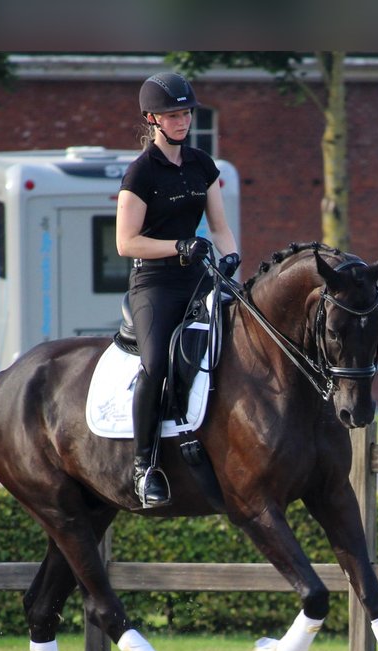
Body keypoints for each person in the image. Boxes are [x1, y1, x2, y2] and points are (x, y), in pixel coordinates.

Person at [116, 72, 239, 508]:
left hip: (198, 277)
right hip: (154, 283)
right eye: (173, 115)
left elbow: (221, 227)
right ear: (152, 119)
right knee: (154, 364)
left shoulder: (203, 165)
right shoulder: (141, 172)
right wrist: (178, 245)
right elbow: (125, 242)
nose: (182, 121)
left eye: (186, 112)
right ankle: (143, 467)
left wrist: (231, 261)